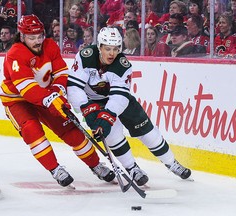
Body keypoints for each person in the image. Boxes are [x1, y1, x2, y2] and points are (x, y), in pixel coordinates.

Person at [0, 14, 115, 188]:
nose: (37, 41)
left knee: (71, 129)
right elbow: (27, 89)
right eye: (32, 38)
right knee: (32, 130)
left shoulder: (50, 46)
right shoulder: (15, 54)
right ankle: (55, 169)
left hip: (46, 95)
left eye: (39, 36)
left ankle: (95, 164)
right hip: (17, 100)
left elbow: (61, 73)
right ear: (22, 36)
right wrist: (51, 98)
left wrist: (57, 92)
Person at [67, 27, 192, 187]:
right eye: (107, 49)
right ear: (99, 47)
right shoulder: (86, 57)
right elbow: (74, 87)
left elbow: (119, 97)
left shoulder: (123, 64)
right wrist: (87, 109)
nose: (111, 53)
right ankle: (132, 168)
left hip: (120, 100)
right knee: (112, 135)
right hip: (94, 101)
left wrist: (107, 117)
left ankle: (171, 162)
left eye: (115, 49)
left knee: (147, 132)